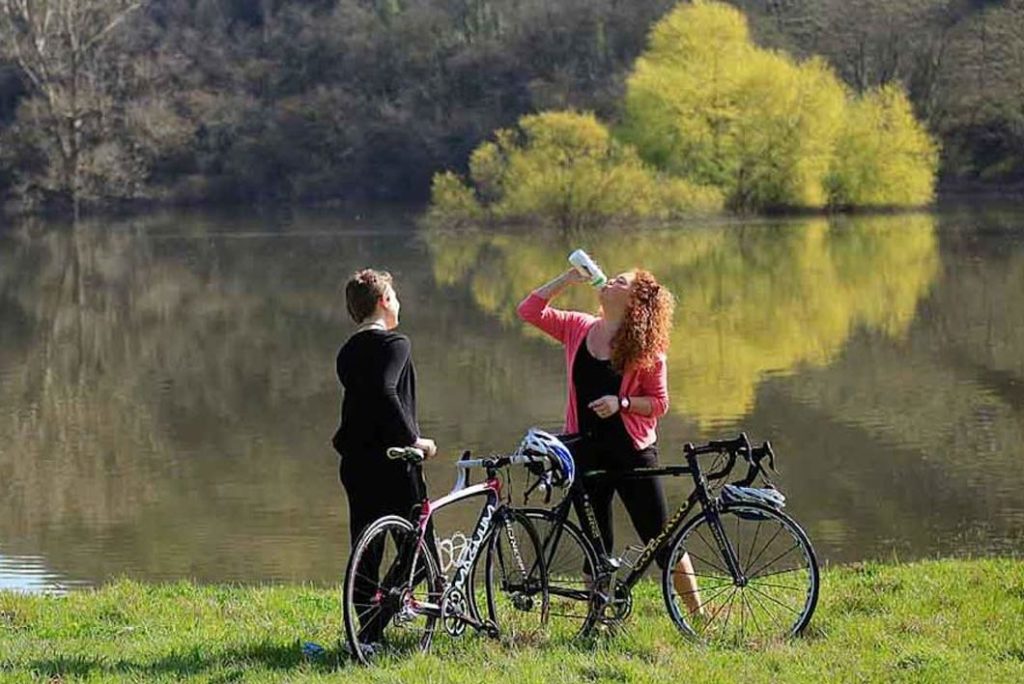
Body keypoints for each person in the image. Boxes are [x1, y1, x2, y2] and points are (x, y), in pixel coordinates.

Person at [517, 266, 703, 616]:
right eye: (613, 277)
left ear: (634, 301)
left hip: (632, 452)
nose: (610, 281)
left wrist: (623, 404)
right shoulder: (578, 327)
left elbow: (659, 404)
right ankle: (597, 618)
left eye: (621, 281)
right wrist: (565, 279)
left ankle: (698, 614)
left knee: (661, 538)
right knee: (595, 542)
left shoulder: (647, 348)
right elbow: (529, 310)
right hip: (583, 450)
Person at [332, 268, 438, 646]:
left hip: (356, 463)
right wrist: (415, 439)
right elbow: (385, 391)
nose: (399, 301)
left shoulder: (347, 351)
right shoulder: (396, 344)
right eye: (394, 295)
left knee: (366, 548)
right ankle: (379, 620)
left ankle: (370, 629)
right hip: (394, 459)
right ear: (384, 302)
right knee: (421, 548)